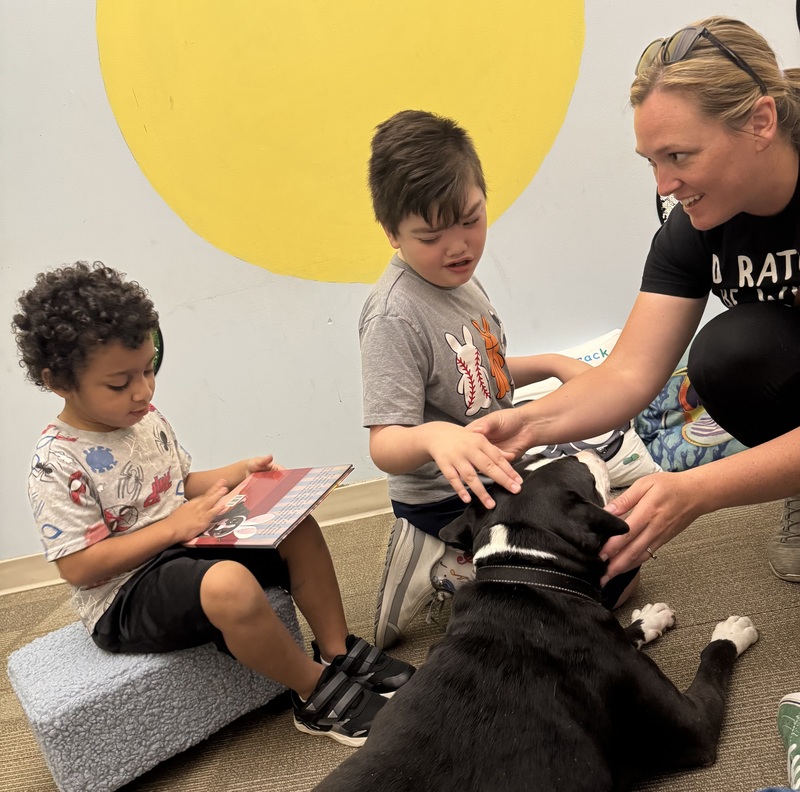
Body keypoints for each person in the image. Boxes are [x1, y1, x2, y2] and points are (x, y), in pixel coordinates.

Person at [12, 261, 414, 747]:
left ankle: (336, 650)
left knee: (298, 527)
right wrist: (174, 529)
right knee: (229, 584)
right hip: (123, 593)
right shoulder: (56, 462)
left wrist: (238, 474)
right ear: (59, 383)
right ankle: (312, 694)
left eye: (148, 370)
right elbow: (77, 567)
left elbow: (178, 484)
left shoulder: (145, 419)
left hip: (187, 545)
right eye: (120, 383)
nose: (143, 391)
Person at [464, 16, 800, 588]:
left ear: (760, 122)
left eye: (679, 156)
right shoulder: (691, 226)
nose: (663, 185)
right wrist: (523, 424)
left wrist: (698, 490)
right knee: (728, 354)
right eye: (652, 161)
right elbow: (626, 373)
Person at [361, 109, 639, 649]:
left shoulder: (461, 281)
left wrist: (555, 364)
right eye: (431, 236)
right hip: (444, 494)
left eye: (470, 220)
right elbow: (385, 444)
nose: (458, 246)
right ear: (393, 233)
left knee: (620, 550)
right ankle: (444, 564)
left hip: (501, 461)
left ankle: (477, 566)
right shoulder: (392, 315)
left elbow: (479, 372)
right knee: (586, 595)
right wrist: (435, 436)